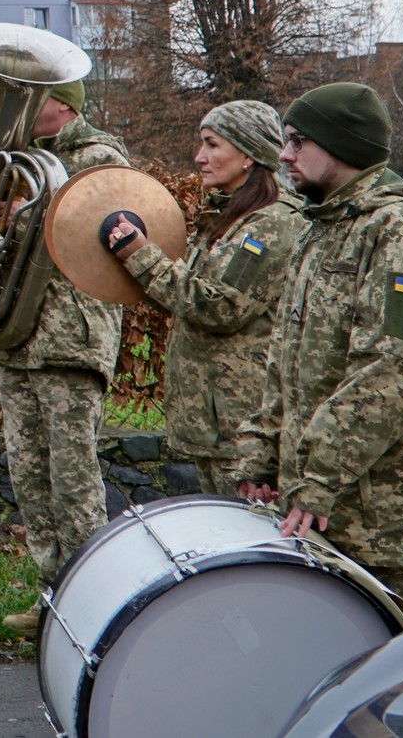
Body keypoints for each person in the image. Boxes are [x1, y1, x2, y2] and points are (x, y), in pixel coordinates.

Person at [232, 81, 403, 622]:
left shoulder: (400, 229)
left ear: (341, 146)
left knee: (398, 690)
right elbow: (286, 361)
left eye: (296, 141)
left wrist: (320, 478)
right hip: (324, 513)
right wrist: (261, 452)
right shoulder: (321, 229)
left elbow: (393, 373)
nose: (283, 154)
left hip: (389, 525)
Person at [0, 78, 127, 636]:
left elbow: (97, 227)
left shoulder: (102, 156)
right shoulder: (16, 161)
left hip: (69, 339)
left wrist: (23, 214)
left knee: (73, 483)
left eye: (33, 98)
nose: (18, 109)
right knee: (31, 481)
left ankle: (96, 610)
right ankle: (54, 600)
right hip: (14, 334)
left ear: (63, 106)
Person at [100, 100, 303, 495]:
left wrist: (140, 254)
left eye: (212, 145)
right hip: (216, 426)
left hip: (243, 429)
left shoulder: (270, 223)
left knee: (248, 543)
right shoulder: (226, 217)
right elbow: (185, 301)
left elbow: (220, 306)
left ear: (248, 154)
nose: (199, 157)